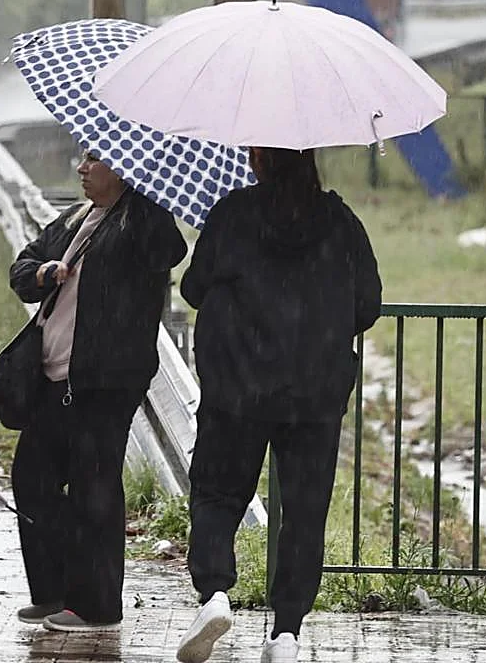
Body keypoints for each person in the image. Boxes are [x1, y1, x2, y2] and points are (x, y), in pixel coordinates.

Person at [174, 148, 382, 663]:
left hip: (236, 389)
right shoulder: (339, 221)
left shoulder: (233, 214)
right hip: (313, 396)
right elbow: (369, 304)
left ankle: (216, 594)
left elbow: (194, 287)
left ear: (263, 160)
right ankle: (286, 633)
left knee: (218, 494)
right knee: (305, 514)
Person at [9, 149, 188, 633]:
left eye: (94, 159)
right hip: (54, 376)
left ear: (125, 169)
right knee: (32, 478)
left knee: (95, 489)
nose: (82, 168)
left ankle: (97, 606)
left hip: (106, 381)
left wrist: (150, 189)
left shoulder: (141, 220)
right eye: (82, 158)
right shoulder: (75, 218)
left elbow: (169, 251)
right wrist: (46, 272)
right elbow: (22, 269)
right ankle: (55, 592)